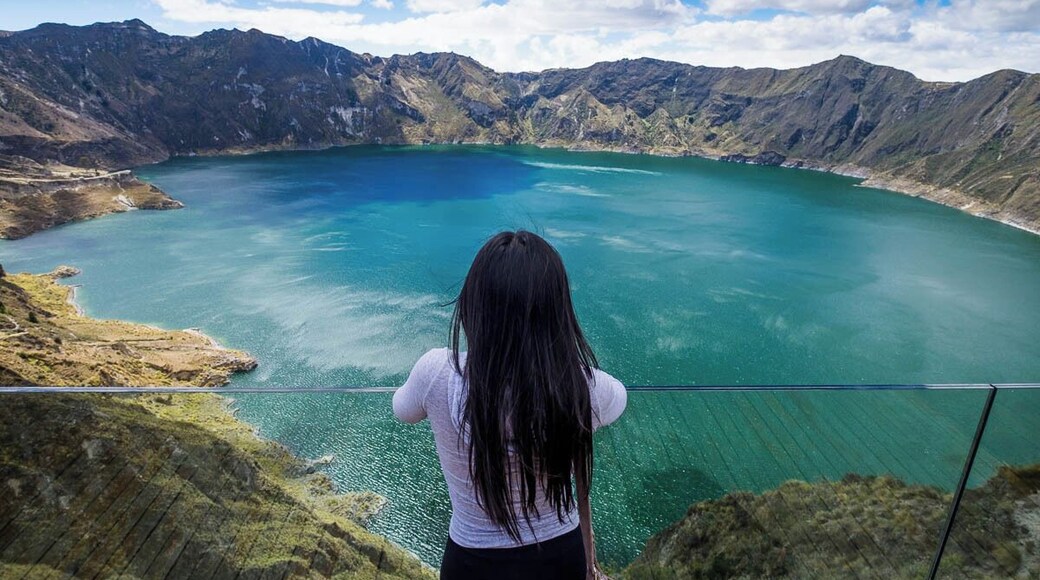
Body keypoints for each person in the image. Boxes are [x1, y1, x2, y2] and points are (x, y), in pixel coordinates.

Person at [393, 230, 627, 580]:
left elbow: (403, 409)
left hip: (470, 562)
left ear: (474, 305)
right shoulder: (580, 385)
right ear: (557, 313)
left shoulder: (436, 372)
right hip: (560, 558)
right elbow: (618, 398)